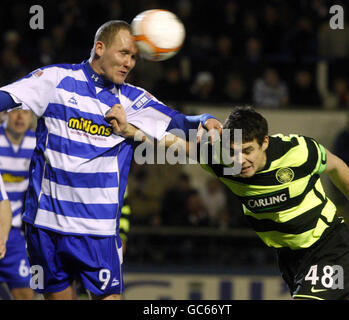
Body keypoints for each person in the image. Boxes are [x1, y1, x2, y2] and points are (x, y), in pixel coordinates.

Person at [0, 20, 222, 300]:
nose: (129, 63)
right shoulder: (54, 80)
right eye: (123, 54)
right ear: (100, 48)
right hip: (45, 226)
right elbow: (5, 97)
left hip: (98, 232)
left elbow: (180, 120)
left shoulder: (133, 100)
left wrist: (206, 119)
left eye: (134, 57)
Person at [195, 106, 349, 300]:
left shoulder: (297, 151)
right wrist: (197, 119)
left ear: (265, 143)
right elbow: (171, 140)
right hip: (289, 257)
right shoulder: (220, 160)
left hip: (328, 245)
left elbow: (336, 166)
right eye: (233, 152)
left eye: (248, 151)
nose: (239, 160)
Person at [0, 109, 35, 300]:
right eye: (15, 112)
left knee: (25, 292)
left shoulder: (36, 143)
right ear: (4, 114)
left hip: (14, 235)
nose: (20, 117)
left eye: (26, 112)